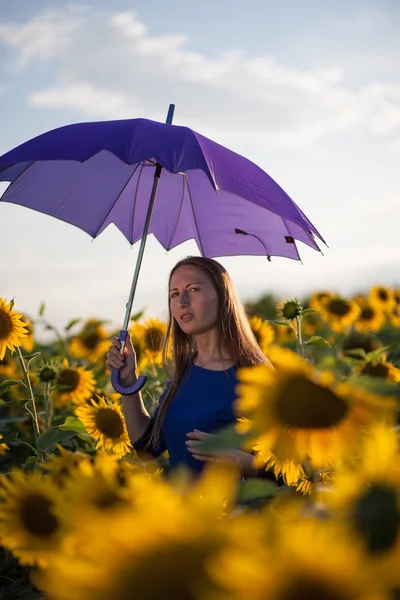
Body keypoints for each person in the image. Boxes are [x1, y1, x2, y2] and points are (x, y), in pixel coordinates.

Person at [105, 256, 273, 480]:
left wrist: (241, 461)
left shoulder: (255, 376)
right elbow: (147, 448)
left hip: (238, 512)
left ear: (223, 297)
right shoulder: (184, 374)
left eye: (193, 289)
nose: (182, 301)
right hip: (183, 512)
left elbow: (294, 472)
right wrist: (129, 385)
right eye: (174, 294)